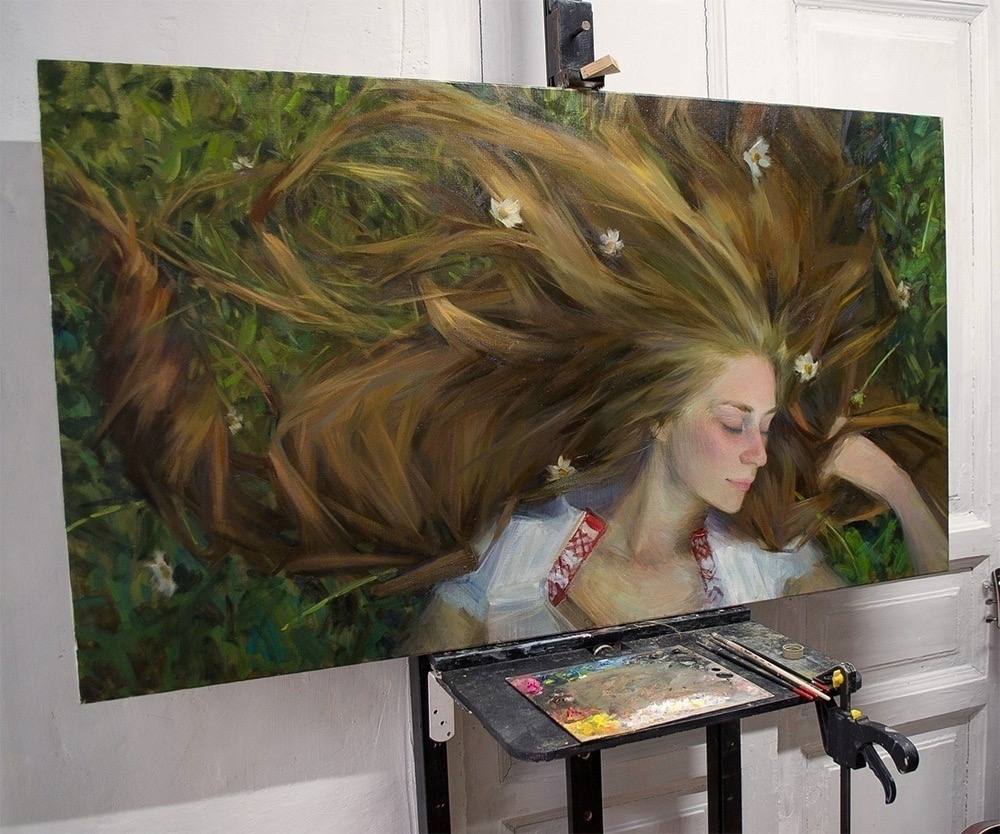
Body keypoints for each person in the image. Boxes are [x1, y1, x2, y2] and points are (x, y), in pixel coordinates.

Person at [50, 78, 948, 655]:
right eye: (733, 422)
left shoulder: (765, 563)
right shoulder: (521, 548)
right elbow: (425, 694)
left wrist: (898, 490)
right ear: (657, 416)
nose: (759, 450)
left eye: (765, 424)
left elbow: (922, 633)